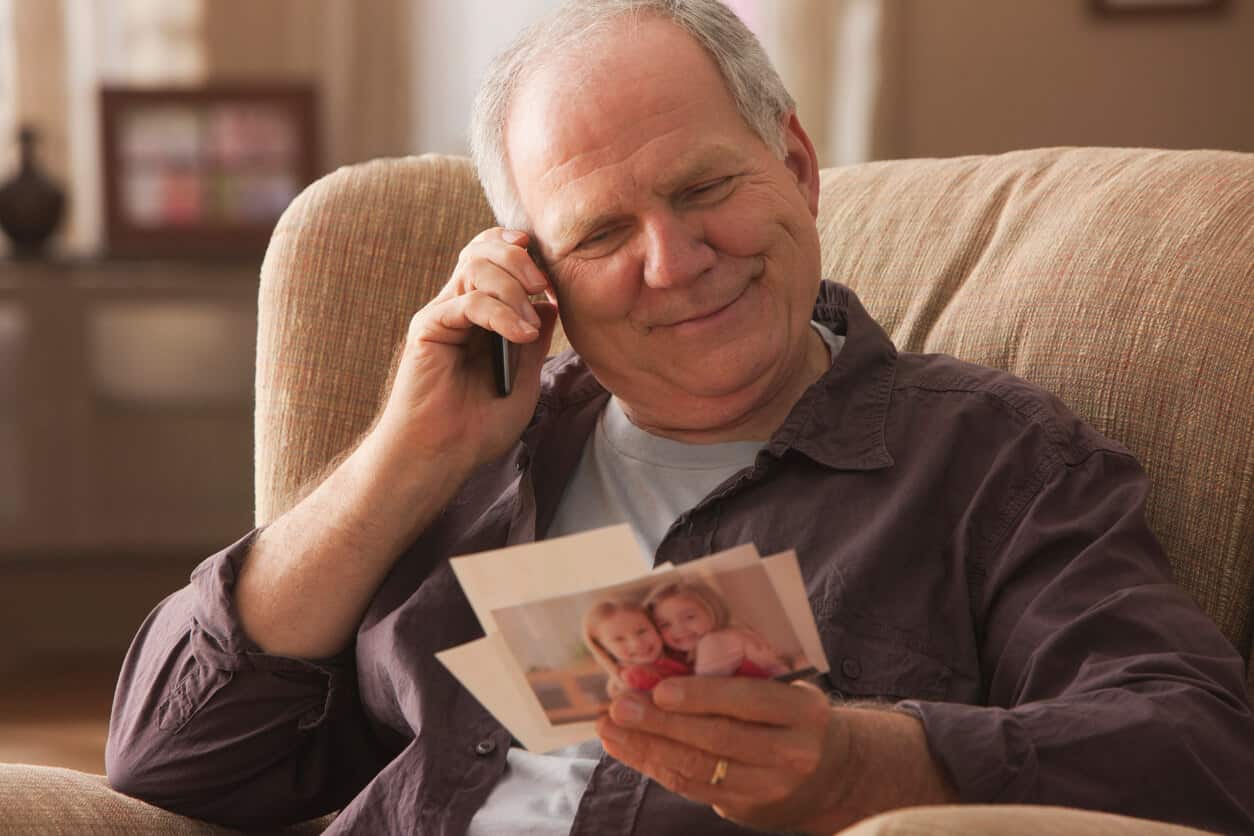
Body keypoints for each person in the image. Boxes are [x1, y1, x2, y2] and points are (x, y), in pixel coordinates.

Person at [105, 0, 1254, 834]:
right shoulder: (473, 460)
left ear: (796, 165)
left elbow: (1199, 751)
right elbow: (170, 758)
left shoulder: (991, 461)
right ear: (536, 267)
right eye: (602, 234)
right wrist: (403, 459)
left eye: (705, 189)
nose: (674, 260)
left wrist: (868, 766)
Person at [645, 580, 790, 678]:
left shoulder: (713, 641)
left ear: (711, 610)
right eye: (665, 625)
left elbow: (706, 690)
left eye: (689, 617)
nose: (679, 630)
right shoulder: (728, 634)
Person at [583, 597, 692, 694]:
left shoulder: (680, 653)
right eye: (619, 639)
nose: (637, 644)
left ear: (655, 626)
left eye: (641, 631)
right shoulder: (634, 678)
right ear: (604, 648)